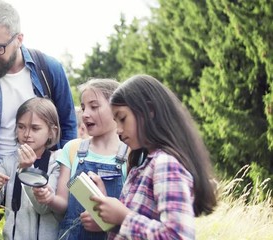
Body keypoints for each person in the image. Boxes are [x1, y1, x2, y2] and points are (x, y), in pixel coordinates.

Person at [0, 0, 77, 193]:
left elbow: (68, 126)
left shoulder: (49, 70)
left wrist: (65, 176)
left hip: (42, 174)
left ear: (19, 39)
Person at [89, 74, 218, 239]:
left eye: (122, 118)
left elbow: (177, 235)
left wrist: (124, 217)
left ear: (149, 111)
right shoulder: (142, 165)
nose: (119, 130)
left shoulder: (165, 164)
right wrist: (108, 209)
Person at [32, 78, 128, 240]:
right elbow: (63, 205)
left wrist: (107, 223)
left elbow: (133, 213)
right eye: (83, 108)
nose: (85, 114)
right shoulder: (73, 148)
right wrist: (49, 198)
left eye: (94, 106)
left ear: (116, 108)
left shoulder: (130, 153)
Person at [0, 97, 62, 240]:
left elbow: (43, 208)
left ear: (51, 132)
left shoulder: (56, 163)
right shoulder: (10, 161)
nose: (27, 134)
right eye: (21, 126)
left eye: (35, 128)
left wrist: (27, 170)